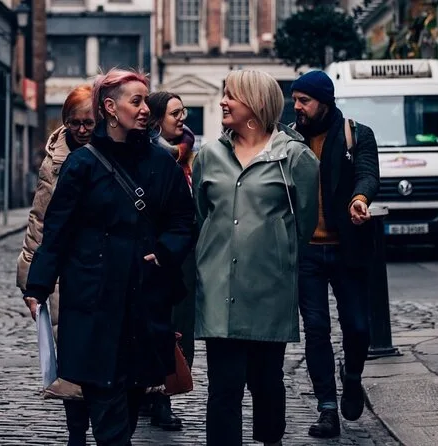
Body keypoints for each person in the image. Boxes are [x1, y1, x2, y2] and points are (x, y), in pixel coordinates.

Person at [23, 68, 195, 446]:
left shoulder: (161, 163)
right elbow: (57, 231)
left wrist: (164, 251)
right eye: (136, 101)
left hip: (143, 301)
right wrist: (38, 285)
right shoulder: (82, 164)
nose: (145, 109)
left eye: (146, 101)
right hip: (93, 300)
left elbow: (184, 220)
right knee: (106, 406)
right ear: (111, 108)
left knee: (130, 403)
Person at [193, 70, 319, 446]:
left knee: (267, 383)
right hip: (219, 292)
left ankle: (271, 440)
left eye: (231, 95)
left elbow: (304, 224)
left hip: (269, 292)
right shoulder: (209, 156)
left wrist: (272, 251)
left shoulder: (294, 157)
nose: (223, 101)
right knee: (223, 388)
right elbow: (201, 216)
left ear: (256, 103)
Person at [291, 70, 380, 438]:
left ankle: (352, 376)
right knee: (316, 330)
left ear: (324, 103)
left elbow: (367, 174)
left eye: (304, 101)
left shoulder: (356, 134)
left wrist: (360, 199)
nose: (297, 107)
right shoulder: (290, 140)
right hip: (307, 252)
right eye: (295, 100)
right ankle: (327, 407)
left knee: (358, 327)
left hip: (347, 249)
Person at [17, 84, 94, 446]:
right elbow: (39, 220)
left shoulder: (113, 151)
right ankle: (76, 432)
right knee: (70, 356)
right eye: (74, 122)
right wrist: (30, 280)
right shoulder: (55, 160)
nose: (81, 129)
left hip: (105, 266)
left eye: (88, 123)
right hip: (66, 270)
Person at [141, 91, 196, 432]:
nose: (182, 118)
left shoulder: (187, 153)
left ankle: (162, 394)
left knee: (181, 330)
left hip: (183, 255)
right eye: (175, 113)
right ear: (157, 119)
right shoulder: (152, 157)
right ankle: (157, 398)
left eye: (183, 111)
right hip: (157, 256)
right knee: (160, 328)